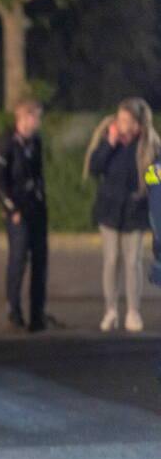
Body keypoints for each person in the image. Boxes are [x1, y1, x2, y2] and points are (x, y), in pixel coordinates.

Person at [83, 98, 160, 332]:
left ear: (137, 125)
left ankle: (133, 312)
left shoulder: (150, 147)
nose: (121, 123)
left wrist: (147, 192)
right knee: (111, 259)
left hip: (134, 212)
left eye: (127, 120)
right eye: (119, 118)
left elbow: (153, 180)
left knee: (133, 261)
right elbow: (95, 168)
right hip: (109, 210)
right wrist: (109, 144)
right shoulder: (109, 141)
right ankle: (111, 311)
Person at [0, 97, 50, 333]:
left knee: (40, 261)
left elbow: (38, 175)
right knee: (17, 260)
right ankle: (14, 313)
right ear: (24, 117)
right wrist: (11, 208)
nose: (38, 121)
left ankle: (37, 315)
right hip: (17, 210)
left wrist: (42, 201)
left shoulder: (36, 142)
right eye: (37, 116)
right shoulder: (4, 143)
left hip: (36, 208)